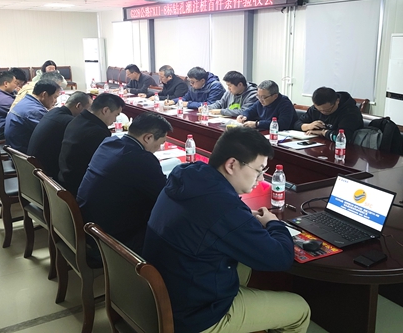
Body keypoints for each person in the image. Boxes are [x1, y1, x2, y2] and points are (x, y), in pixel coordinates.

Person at [143, 127, 310, 333]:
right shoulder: (224, 209)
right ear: (231, 164)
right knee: (300, 310)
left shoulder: (186, 176)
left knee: (245, 265)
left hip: (163, 296)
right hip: (195, 316)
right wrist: (273, 222)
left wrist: (242, 218)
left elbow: (212, 217)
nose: (261, 179)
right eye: (258, 170)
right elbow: (281, 258)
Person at [76, 112, 172, 259]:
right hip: (108, 239)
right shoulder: (142, 160)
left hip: (87, 223)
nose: (158, 148)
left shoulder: (108, 143)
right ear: (148, 137)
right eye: (160, 143)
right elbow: (165, 196)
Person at [58, 93, 125, 195]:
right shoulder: (97, 132)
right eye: (116, 115)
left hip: (64, 177)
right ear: (105, 110)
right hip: (78, 187)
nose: (115, 120)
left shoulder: (78, 119)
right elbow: (107, 165)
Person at [27, 92, 92, 177]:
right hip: (45, 173)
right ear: (78, 106)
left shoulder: (54, 111)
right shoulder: (70, 122)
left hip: (33, 165)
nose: (90, 113)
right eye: (88, 109)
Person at [4, 80, 60, 154]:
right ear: (44, 94)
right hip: (25, 155)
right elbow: (54, 133)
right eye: (55, 97)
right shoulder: (34, 111)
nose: (55, 101)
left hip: (16, 149)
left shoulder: (27, 101)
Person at [295, 87, 364, 143]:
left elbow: (343, 138)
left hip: (347, 149)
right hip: (319, 144)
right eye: (319, 110)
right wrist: (308, 126)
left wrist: (323, 132)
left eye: (327, 110)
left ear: (337, 101)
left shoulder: (350, 112)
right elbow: (296, 124)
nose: (323, 112)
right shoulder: (315, 109)